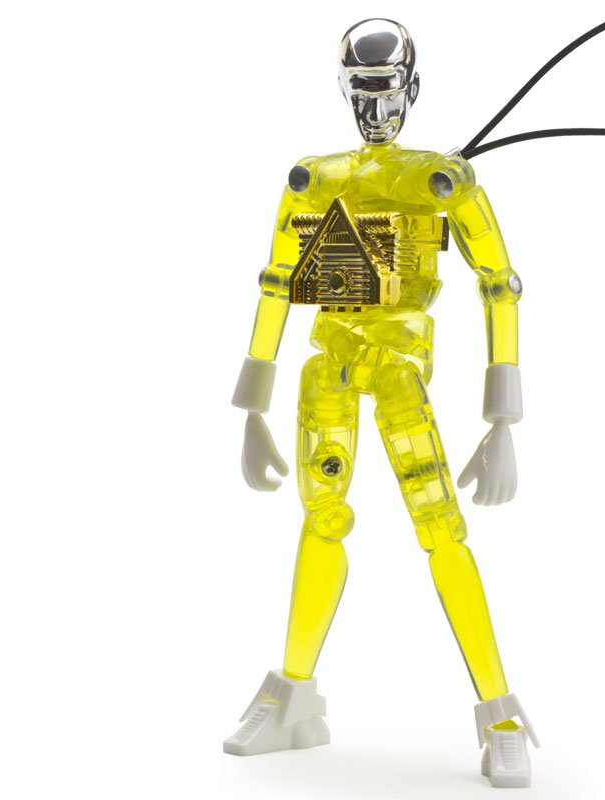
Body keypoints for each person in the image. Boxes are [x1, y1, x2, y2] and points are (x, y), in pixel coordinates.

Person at [224, 18, 538, 788]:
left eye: (388, 93)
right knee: (321, 519)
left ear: (412, 89)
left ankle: (500, 714)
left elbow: (499, 283)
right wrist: (253, 407)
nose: (375, 110)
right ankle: (291, 694)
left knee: (441, 530)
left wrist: (502, 417)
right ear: (343, 90)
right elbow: (275, 282)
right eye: (361, 93)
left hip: (398, 374)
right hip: (328, 368)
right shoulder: (315, 178)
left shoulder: (440, 181)